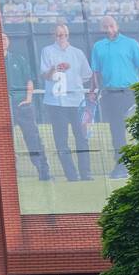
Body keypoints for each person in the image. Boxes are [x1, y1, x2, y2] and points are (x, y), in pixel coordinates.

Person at [89, 16, 139, 178]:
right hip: (110, 95)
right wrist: (93, 91)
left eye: (112, 26)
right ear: (102, 28)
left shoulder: (131, 44)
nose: (109, 29)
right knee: (116, 132)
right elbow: (96, 72)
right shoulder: (98, 47)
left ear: (117, 26)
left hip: (131, 93)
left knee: (138, 130)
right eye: (106, 26)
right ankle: (122, 167)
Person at [38, 23, 93, 182]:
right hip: (56, 103)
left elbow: (86, 75)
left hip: (76, 102)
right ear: (53, 36)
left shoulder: (77, 53)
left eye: (64, 35)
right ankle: (71, 175)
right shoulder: (47, 51)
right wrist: (55, 69)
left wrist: (73, 84)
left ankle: (86, 174)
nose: (62, 38)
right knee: (61, 141)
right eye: (58, 35)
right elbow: (45, 75)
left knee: (81, 138)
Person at [3, 33, 51, 181]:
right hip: (3, 108)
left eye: (4, 38)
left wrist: (28, 99)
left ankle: (44, 172)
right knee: (4, 140)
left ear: (8, 41)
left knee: (33, 138)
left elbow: (29, 81)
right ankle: (9, 175)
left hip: (22, 105)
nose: (1, 41)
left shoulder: (19, 59)